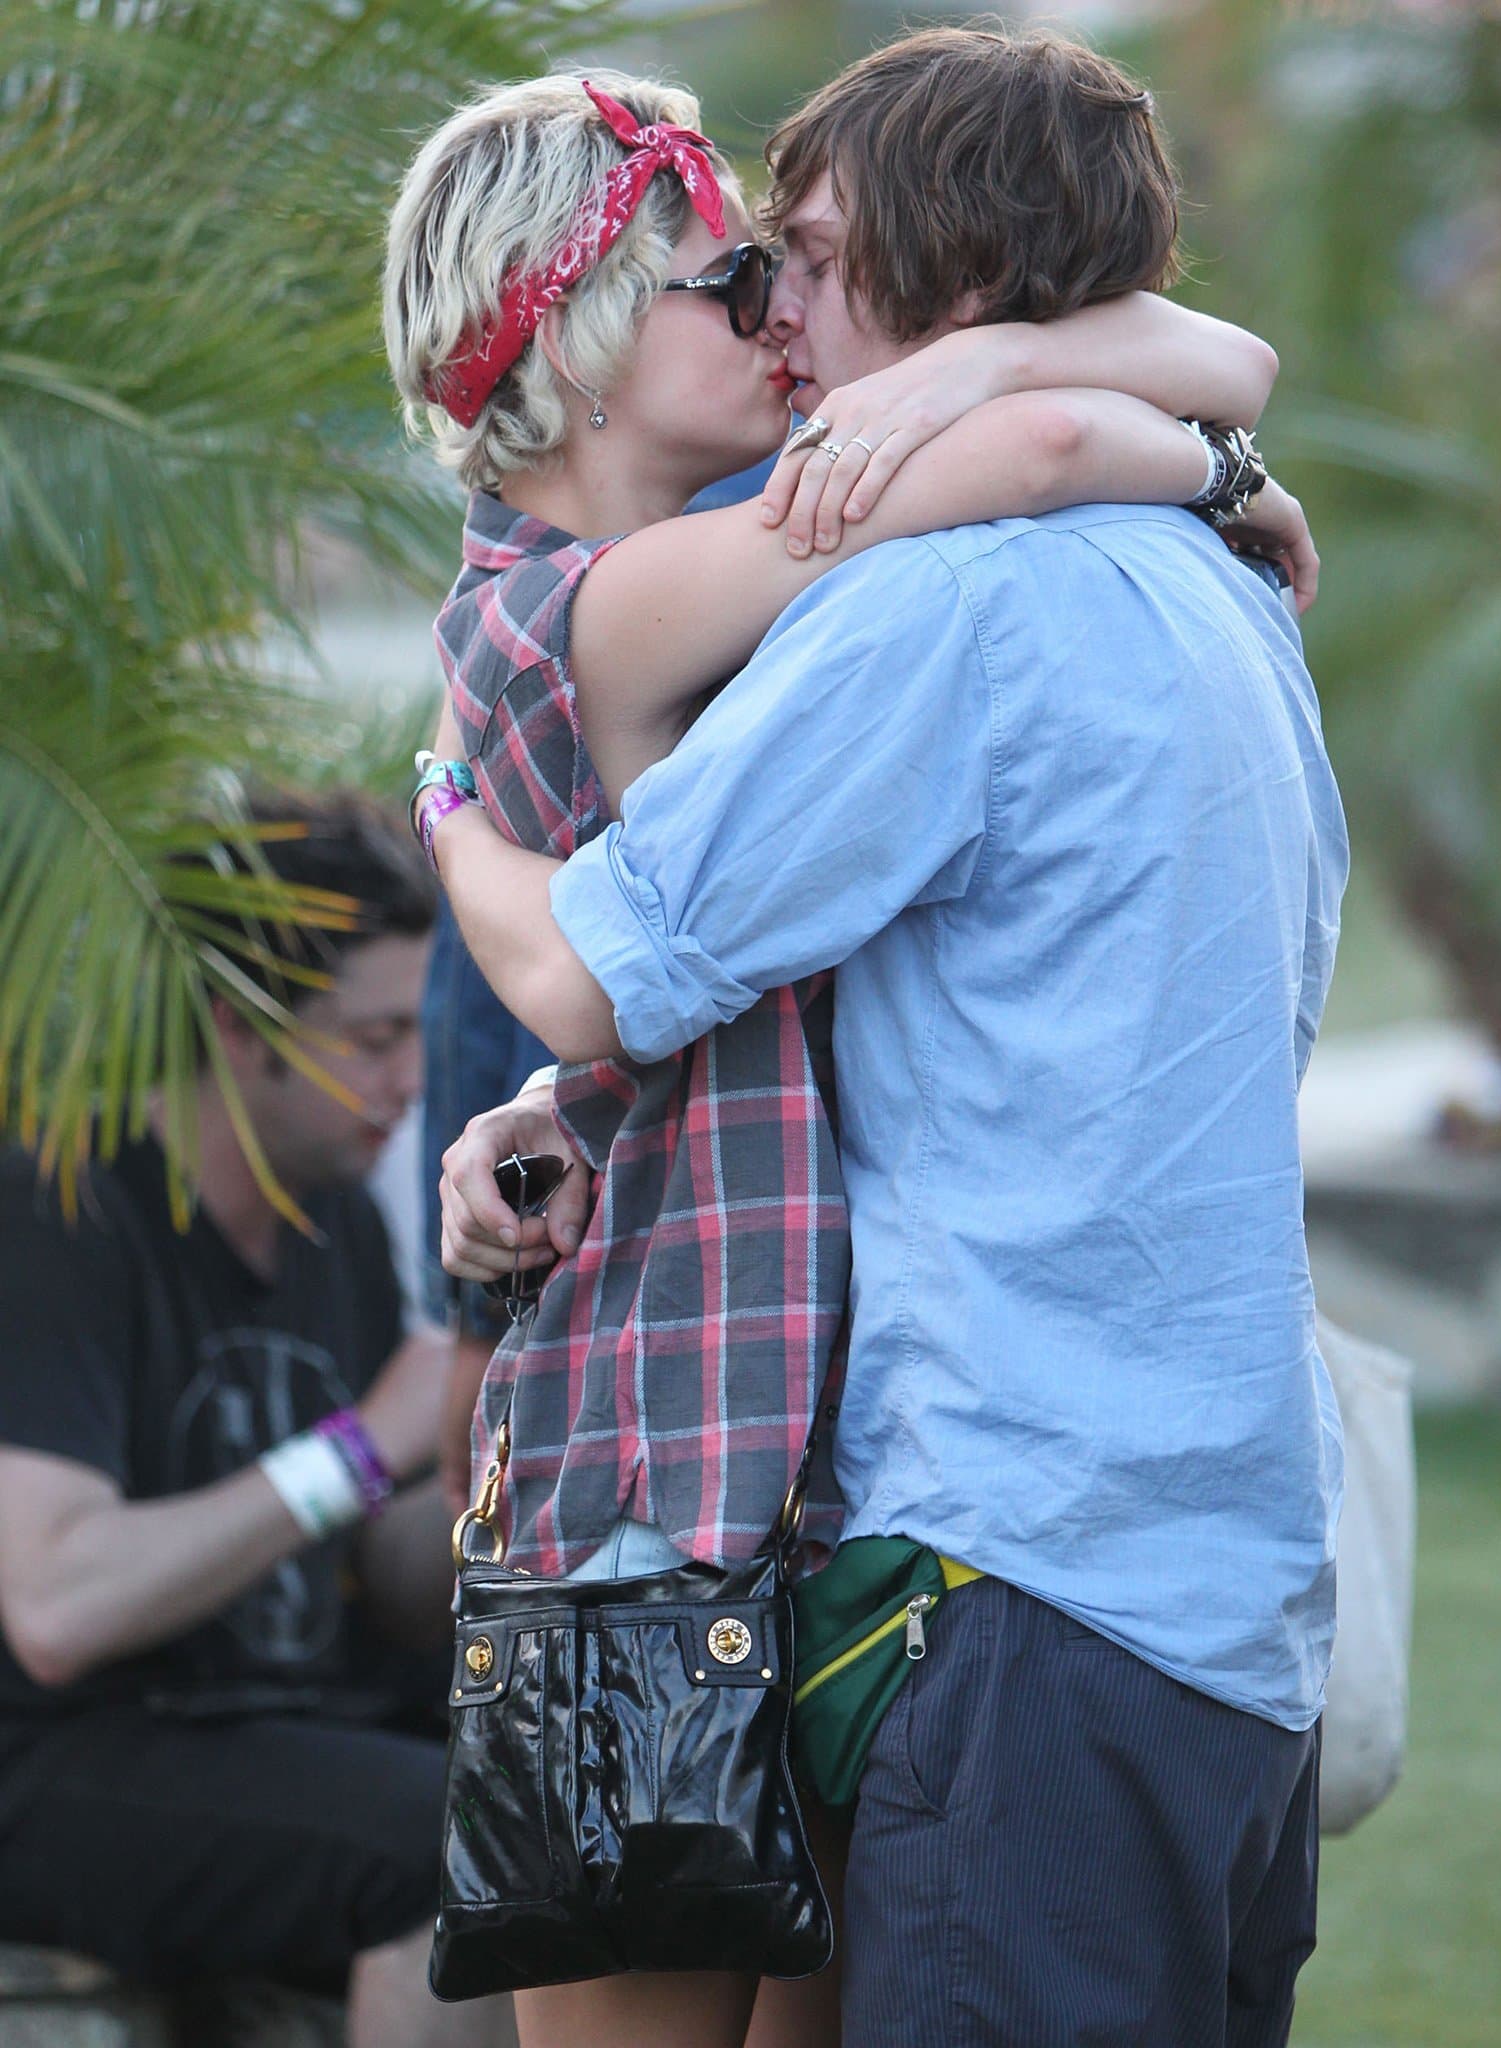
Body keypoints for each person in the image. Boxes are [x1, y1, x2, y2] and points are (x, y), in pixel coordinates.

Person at [430, 23, 1346, 2048]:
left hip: (1018, 1568)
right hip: (1215, 1591)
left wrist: (445, 822)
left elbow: (603, 964)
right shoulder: (1220, 592)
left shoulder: (936, 606)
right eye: (736, 268)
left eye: (811, 259)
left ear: (944, 283)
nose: (783, 309)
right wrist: (1151, 431)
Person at [0, 794, 512, 2048]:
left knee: (575, 1764)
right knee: (459, 1832)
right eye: (377, 1037)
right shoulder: (61, 1207)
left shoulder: (332, 1219)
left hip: (281, 1723)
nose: (412, 1081)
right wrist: (358, 1447)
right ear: (240, 1025)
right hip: (78, 1755)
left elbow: (386, 1569)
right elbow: (57, 1607)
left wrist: (499, 1489)